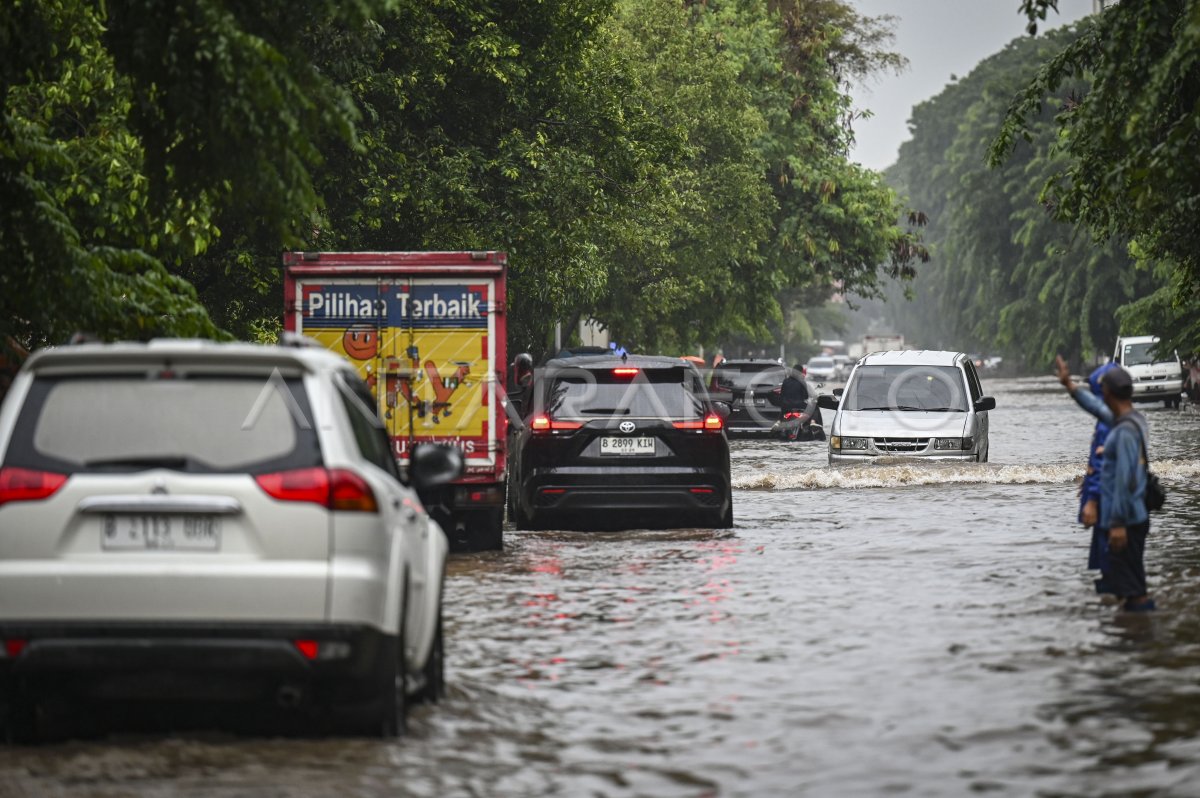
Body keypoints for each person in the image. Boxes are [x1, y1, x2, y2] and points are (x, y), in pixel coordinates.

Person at [1056, 356, 1154, 611]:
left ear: (1107, 393)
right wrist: (1070, 386)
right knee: (1127, 583)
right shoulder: (1132, 419)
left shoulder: (1122, 433)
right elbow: (1097, 409)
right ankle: (1128, 632)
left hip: (1127, 519)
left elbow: (1123, 481)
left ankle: (1140, 633)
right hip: (1135, 515)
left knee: (1133, 587)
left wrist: (1117, 524)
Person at [1055, 357, 1116, 593]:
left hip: (1111, 509)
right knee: (1108, 568)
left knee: (1115, 569)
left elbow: (1106, 469)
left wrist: (1091, 498)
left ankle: (1125, 617)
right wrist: (1069, 385)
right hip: (1111, 508)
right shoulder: (1114, 418)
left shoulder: (1112, 423)